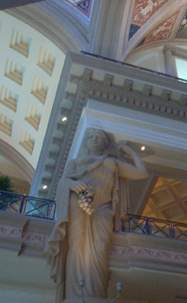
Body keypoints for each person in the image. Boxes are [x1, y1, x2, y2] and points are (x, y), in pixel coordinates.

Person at [45, 129, 149, 302]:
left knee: (100, 247)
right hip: (78, 205)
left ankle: (96, 294)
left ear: (105, 144)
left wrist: (130, 152)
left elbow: (141, 172)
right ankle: (74, 295)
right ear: (85, 143)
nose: (94, 139)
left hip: (103, 209)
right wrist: (72, 184)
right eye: (91, 137)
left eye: (98, 137)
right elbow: (62, 182)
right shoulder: (75, 162)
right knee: (77, 244)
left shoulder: (111, 163)